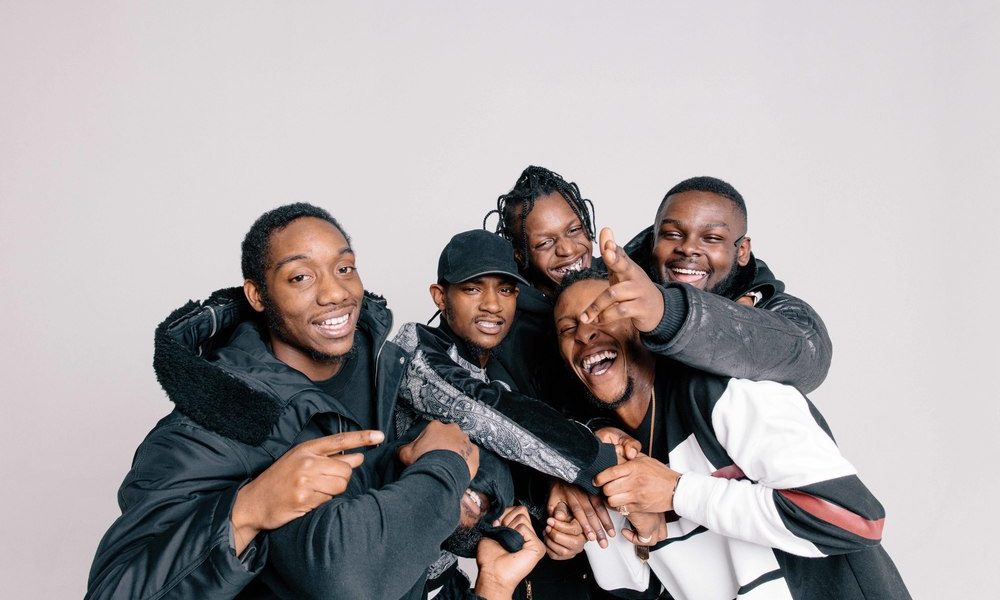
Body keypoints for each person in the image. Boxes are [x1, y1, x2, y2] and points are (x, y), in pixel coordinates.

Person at [86, 203, 481, 600]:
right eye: (300, 277)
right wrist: (246, 511)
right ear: (258, 295)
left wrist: (461, 501)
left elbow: (474, 467)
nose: (335, 292)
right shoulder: (216, 421)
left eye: (345, 268)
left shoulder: (388, 365)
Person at [549, 231, 909, 599]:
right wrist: (614, 535)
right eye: (568, 328)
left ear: (638, 317)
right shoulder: (613, 447)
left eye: (602, 313)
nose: (585, 333)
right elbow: (641, 589)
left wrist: (676, 492)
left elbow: (853, 519)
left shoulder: (726, 389)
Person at [392, 229, 618, 598]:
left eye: (506, 290)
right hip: (381, 578)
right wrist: (605, 464)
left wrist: (555, 517)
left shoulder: (498, 372)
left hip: (441, 582)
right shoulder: (416, 351)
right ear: (440, 296)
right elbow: (485, 409)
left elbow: (507, 471)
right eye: (472, 288)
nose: (493, 305)